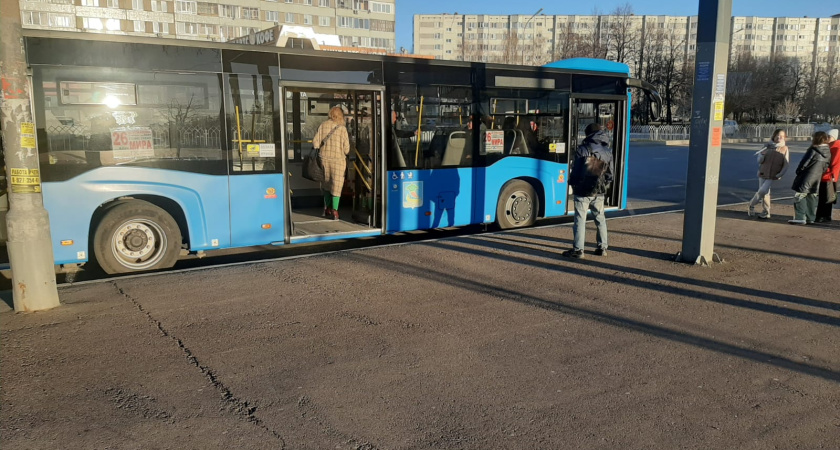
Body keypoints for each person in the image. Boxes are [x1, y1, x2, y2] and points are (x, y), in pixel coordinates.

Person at [562, 123, 614, 258]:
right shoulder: (607, 151)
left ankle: (579, 250)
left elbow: (576, 171)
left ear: (588, 134)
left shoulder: (582, 149)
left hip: (583, 190)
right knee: (600, 218)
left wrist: (572, 184)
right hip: (599, 190)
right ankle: (602, 248)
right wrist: (603, 184)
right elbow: (610, 174)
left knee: (580, 219)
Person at [312, 106, 350, 220]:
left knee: (326, 184)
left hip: (324, 159)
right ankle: (335, 211)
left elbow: (315, 143)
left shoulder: (323, 125)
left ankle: (327, 208)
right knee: (337, 186)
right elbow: (346, 149)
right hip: (338, 161)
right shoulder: (342, 128)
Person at [789, 131, 831, 225]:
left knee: (800, 196)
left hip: (806, 177)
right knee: (812, 197)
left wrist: (798, 171)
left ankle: (800, 217)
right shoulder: (828, 152)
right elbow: (826, 167)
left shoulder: (813, 150)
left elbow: (804, 163)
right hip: (816, 178)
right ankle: (810, 217)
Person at [747, 129, 789, 219]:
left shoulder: (784, 149)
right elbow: (759, 161)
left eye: (782, 136)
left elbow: (786, 163)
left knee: (763, 191)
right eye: (777, 135)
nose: (779, 137)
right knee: (765, 193)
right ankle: (766, 211)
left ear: (784, 137)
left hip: (773, 174)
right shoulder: (767, 146)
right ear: (774, 136)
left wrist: (781, 174)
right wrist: (762, 154)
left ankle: (751, 204)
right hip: (763, 171)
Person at [815, 129, 840, 223]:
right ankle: (827, 215)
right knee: (828, 196)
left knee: (824, 197)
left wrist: (832, 174)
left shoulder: (836, 147)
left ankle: (821, 216)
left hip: (828, 175)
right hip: (830, 175)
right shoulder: (832, 146)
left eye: (829, 136)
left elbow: (835, 163)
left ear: (834, 137)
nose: (827, 138)